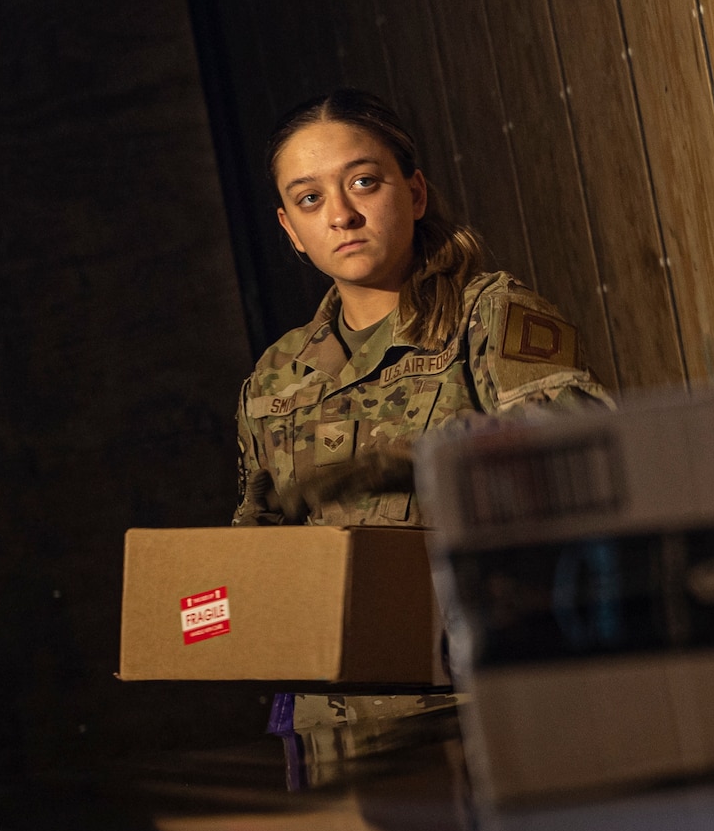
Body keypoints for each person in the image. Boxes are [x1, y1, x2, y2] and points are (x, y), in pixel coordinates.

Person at [233, 88, 609, 528]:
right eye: (310, 199)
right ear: (291, 229)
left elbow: (586, 459)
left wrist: (420, 464)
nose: (341, 215)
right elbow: (254, 553)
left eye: (363, 182)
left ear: (415, 195)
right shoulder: (273, 381)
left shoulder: (487, 319)